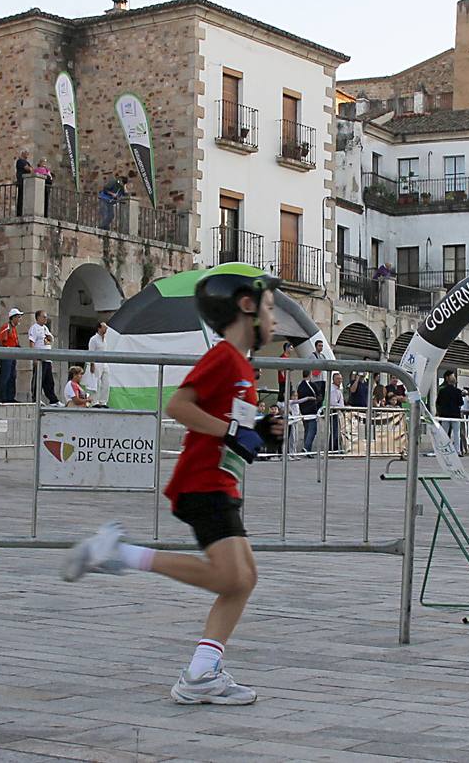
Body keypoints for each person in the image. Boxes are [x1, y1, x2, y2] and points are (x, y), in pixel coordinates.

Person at [61, 262, 285, 705]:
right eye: (270, 308)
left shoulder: (241, 366)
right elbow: (178, 406)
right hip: (203, 483)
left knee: (243, 579)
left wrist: (260, 429)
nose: (275, 319)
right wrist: (231, 432)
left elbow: (232, 425)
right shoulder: (223, 357)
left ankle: (202, 671)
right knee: (229, 576)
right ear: (246, 307)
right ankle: (120, 554)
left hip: (222, 481)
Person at [30, 311, 59, 405]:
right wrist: (34, 357)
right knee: (38, 379)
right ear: (38, 317)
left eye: (46, 317)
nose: (45, 319)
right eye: (44, 317)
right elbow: (32, 343)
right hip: (39, 359)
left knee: (49, 381)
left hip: (47, 359)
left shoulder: (45, 328)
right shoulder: (34, 328)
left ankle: (53, 400)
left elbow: (50, 339)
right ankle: (35, 398)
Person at [0, 308, 24, 401]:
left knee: (12, 376)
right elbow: (1, 340)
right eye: (18, 317)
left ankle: (10, 397)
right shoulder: (6, 327)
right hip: (6, 355)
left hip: (12, 355)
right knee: (5, 376)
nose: (20, 319)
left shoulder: (14, 329)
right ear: (13, 318)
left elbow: (15, 342)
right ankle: (2, 397)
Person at [436, 372, 465, 448]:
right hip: (455, 414)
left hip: (445, 414)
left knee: (444, 432)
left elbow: (438, 402)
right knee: (456, 433)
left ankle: (444, 448)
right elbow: (461, 403)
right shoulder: (458, 391)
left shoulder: (442, 391)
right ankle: (457, 449)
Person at [87, 320, 111, 407]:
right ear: (99, 328)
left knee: (106, 383)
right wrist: (92, 364)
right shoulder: (93, 339)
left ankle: (103, 401)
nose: (106, 329)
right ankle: (94, 402)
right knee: (96, 383)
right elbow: (91, 352)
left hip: (104, 362)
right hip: (96, 363)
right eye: (104, 327)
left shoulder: (104, 339)